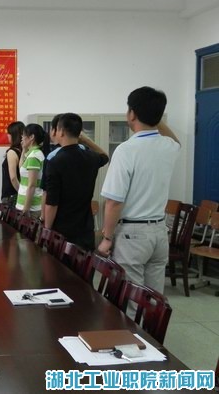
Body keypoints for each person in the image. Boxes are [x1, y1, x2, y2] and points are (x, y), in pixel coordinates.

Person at [98, 86, 180, 295]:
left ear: (132, 113)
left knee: (131, 300)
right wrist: (155, 116)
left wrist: (107, 238)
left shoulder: (126, 150)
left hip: (132, 235)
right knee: (153, 299)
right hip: (159, 232)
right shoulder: (169, 147)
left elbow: (114, 202)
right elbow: (176, 141)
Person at [43, 113, 109, 250]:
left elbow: (52, 202)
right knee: (84, 263)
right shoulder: (91, 157)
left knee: (58, 265)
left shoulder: (55, 161)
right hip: (86, 230)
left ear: (61, 131)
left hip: (62, 232)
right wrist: (86, 140)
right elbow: (105, 156)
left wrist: (47, 229)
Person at [16, 124, 50, 218]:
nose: (22, 138)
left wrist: (26, 208)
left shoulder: (34, 156)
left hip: (31, 208)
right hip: (24, 205)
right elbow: (21, 168)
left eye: (23, 135)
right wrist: (24, 150)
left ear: (31, 137)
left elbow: (32, 184)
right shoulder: (32, 154)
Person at [1, 121, 25, 206]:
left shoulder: (12, 152)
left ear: (14, 135)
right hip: (18, 192)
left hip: (12, 195)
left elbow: (13, 178)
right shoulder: (24, 151)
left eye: (9, 133)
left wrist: (21, 193)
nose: (7, 135)